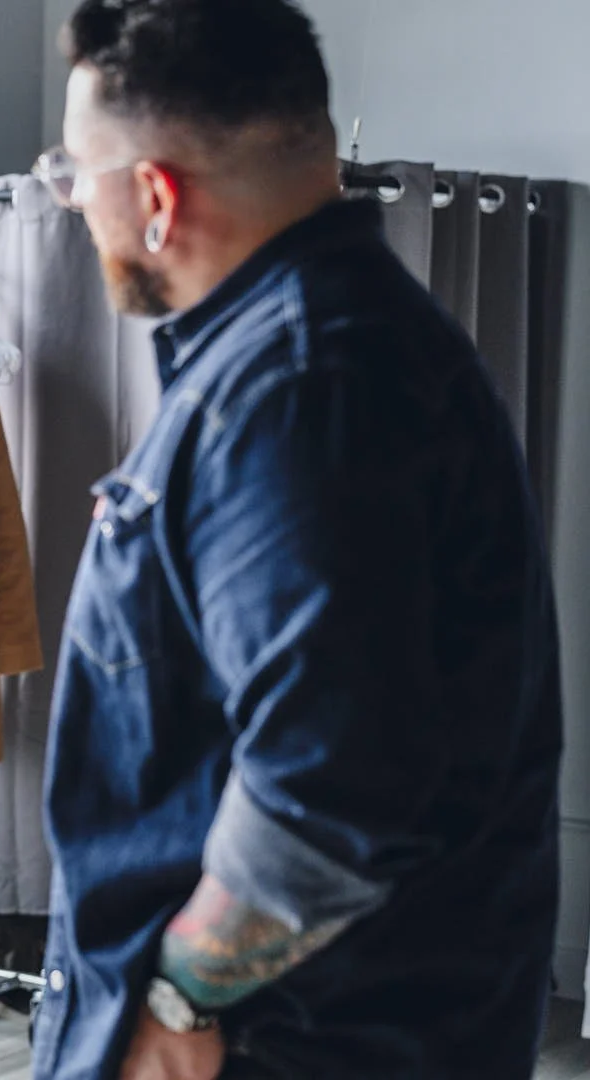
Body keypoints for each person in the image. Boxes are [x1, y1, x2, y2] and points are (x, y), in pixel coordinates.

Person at [32, 2, 562, 1078]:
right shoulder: (342, 345)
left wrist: (177, 1002)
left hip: (278, 1044)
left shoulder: (297, 389)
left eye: (76, 172)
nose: (74, 198)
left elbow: (331, 782)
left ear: (157, 197)